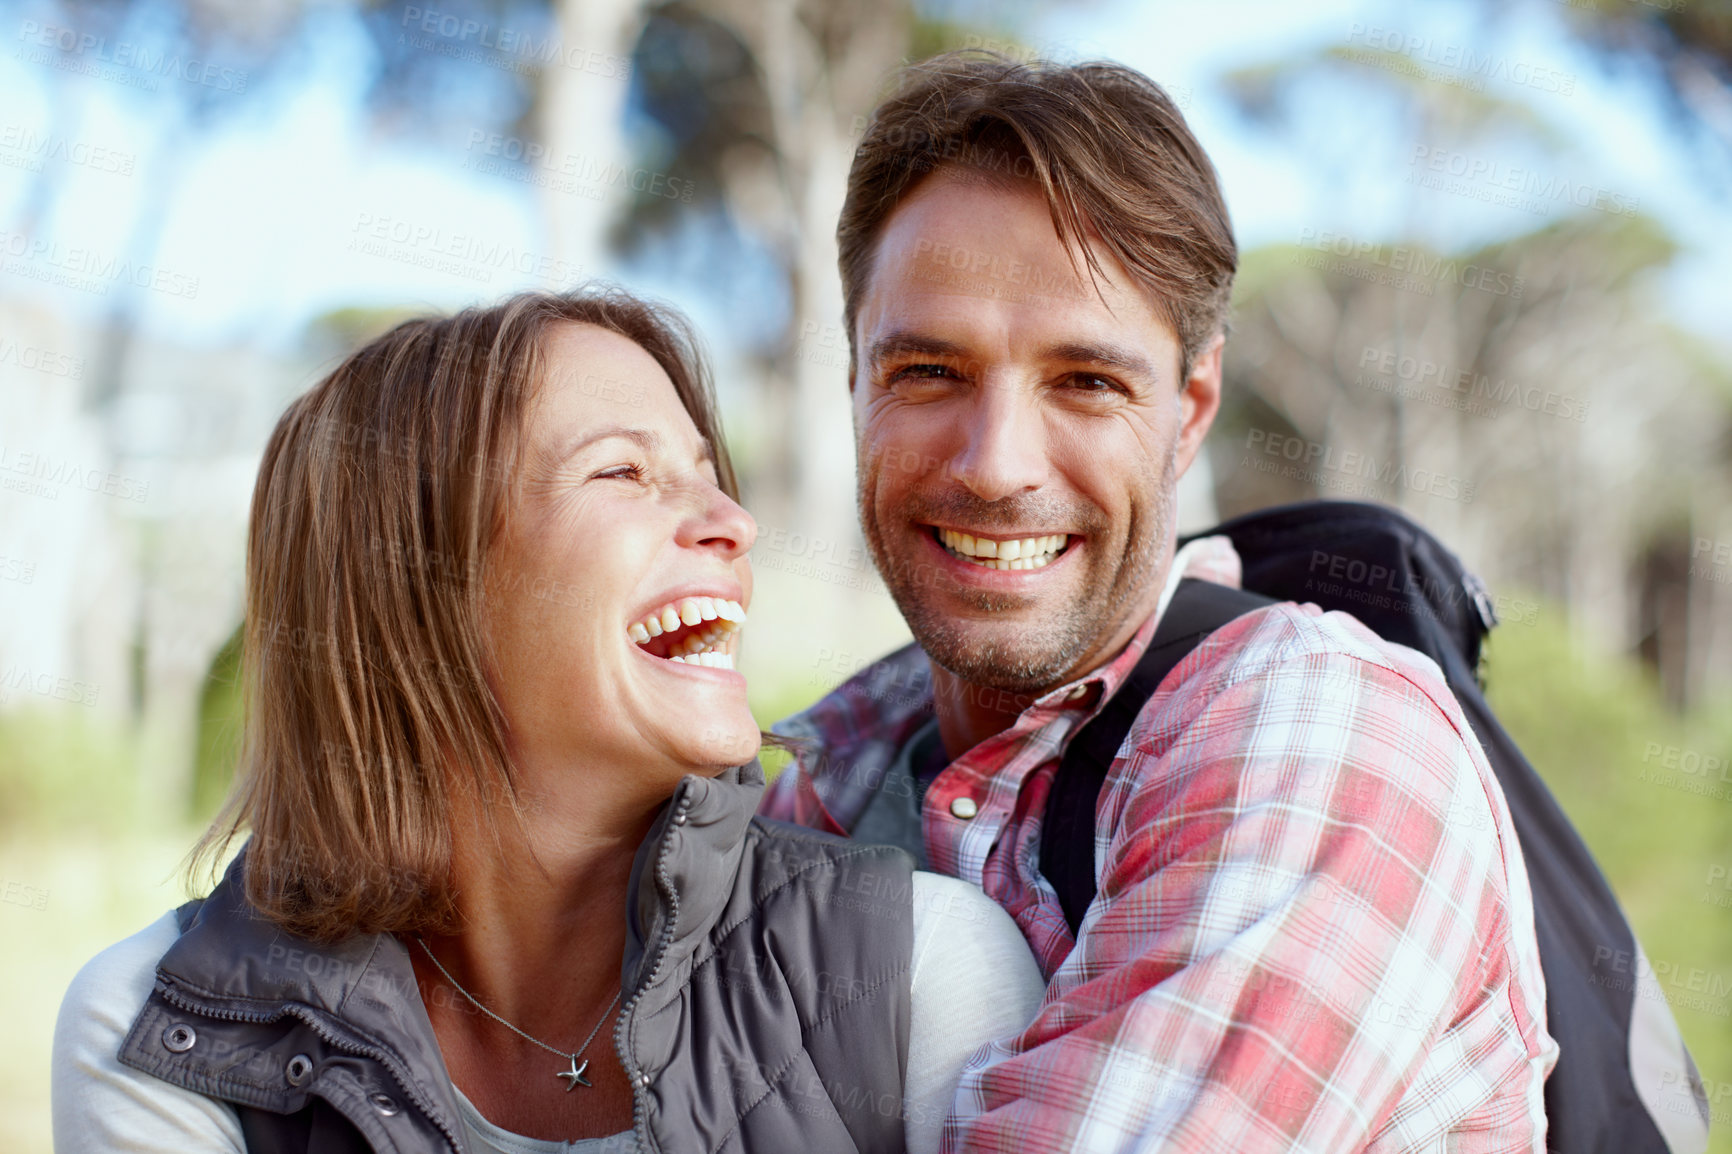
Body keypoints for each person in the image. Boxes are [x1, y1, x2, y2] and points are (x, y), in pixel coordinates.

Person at [761, 52, 1559, 1151]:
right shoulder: (837, 771)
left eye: (1085, 381)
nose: (996, 465)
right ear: (855, 384)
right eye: (928, 371)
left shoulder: (1317, 734)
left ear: (1188, 410)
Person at [52, 287, 1045, 1154]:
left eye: (707, 471)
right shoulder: (161, 1029)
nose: (729, 522)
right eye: (621, 473)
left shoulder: (921, 971)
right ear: (415, 586)